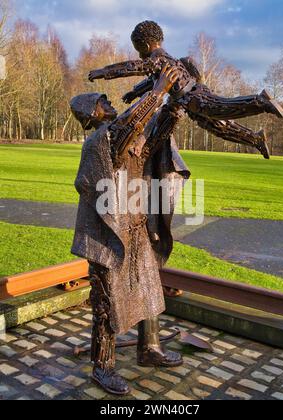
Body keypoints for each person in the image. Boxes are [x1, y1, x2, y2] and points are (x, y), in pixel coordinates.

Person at [71, 65, 190, 396]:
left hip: (135, 226)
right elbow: (129, 126)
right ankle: (103, 366)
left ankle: (149, 349)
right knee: (107, 300)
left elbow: (153, 135)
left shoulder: (125, 134)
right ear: (88, 115)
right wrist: (158, 90)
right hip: (106, 236)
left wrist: (175, 105)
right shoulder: (102, 139)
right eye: (99, 100)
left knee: (149, 289)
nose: (106, 100)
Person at [89, 21, 283, 160]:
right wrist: (134, 92)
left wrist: (103, 72)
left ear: (146, 45)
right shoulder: (167, 62)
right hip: (188, 101)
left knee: (222, 109)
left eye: (138, 49)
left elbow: (131, 67)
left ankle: (260, 101)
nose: (139, 55)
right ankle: (256, 139)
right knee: (220, 127)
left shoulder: (159, 60)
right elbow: (152, 81)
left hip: (193, 97)